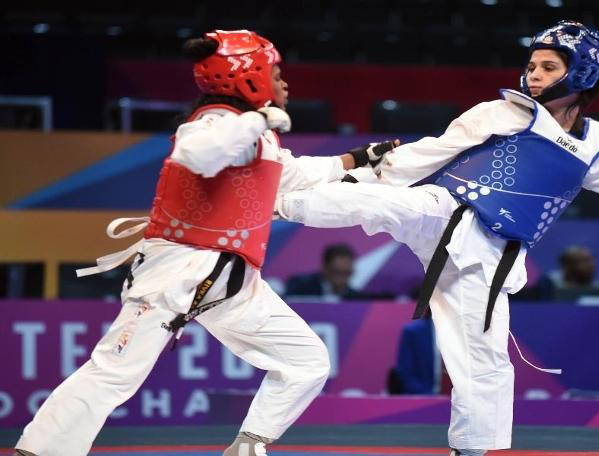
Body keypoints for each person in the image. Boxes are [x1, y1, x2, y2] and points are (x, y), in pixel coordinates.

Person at [276, 20, 599, 455]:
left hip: (490, 252)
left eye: (548, 67)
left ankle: (471, 448)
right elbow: (430, 152)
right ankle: (273, 203)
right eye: (532, 65)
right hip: (444, 209)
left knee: (483, 354)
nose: (534, 75)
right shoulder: (502, 111)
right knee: (378, 202)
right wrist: (360, 175)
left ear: (582, 73)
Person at [14, 30, 393, 456]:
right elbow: (196, 154)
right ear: (249, 77)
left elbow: (296, 174)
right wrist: (257, 119)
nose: (285, 84)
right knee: (114, 373)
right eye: (276, 74)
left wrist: (359, 158)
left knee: (305, 361)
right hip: (177, 270)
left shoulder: (260, 138)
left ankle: (248, 445)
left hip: (233, 282)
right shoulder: (212, 121)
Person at [285, 243, 361, 299]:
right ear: (325, 268)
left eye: (346, 273)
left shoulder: (356, 298)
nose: (342, 279)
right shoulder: (300, 288)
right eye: (337, 272)